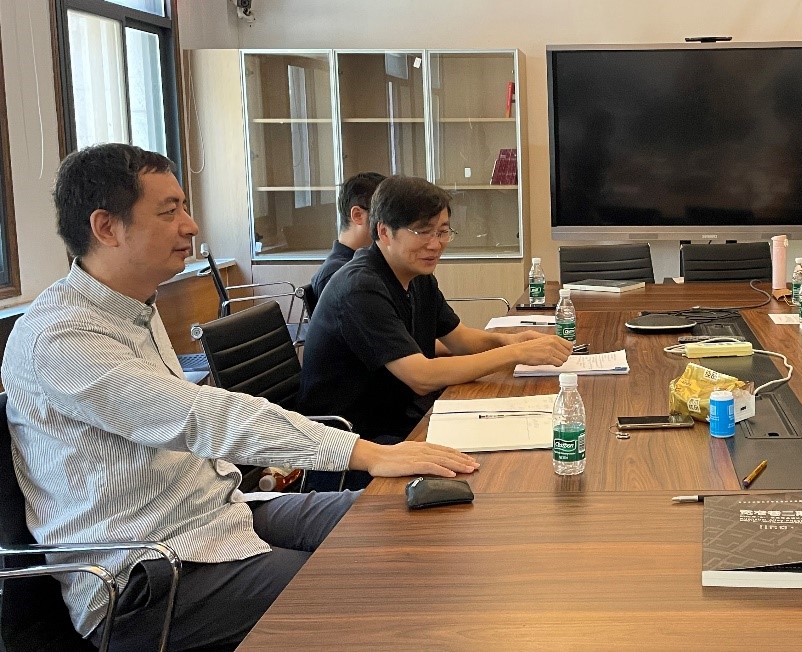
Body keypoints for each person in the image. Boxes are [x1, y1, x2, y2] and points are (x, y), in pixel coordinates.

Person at [1, 143, 479, 651]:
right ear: (106, 227)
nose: (190, 226)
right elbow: (201, 415)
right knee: (366, 589)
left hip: (222, 513)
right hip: (148, 572)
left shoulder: (134, 308)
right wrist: (368, 453)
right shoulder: (60, 337)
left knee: (406, 522)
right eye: (169, 211)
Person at [298, 175, 572, 448]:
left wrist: (509, 340)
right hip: (357, 442)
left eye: (442, 232)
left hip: (405, 418)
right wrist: (516, 353)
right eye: (423, 232)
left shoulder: (418, 276)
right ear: (384, 232)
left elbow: (461, 340)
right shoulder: (360, 287)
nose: (435, 244)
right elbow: (422, 376)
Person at [310, 171, 385, 303]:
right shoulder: (337, 273)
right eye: (385, 215)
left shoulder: (367, 263)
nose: (395, 225)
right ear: (358, 215)